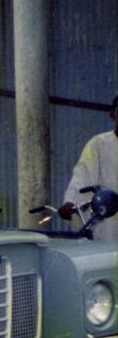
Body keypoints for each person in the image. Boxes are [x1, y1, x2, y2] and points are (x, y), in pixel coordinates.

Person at [58, 94, 117, 242]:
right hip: (108, 220)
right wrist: (70, 202)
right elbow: (82, 175)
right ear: (112, 115)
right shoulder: (98, 144)